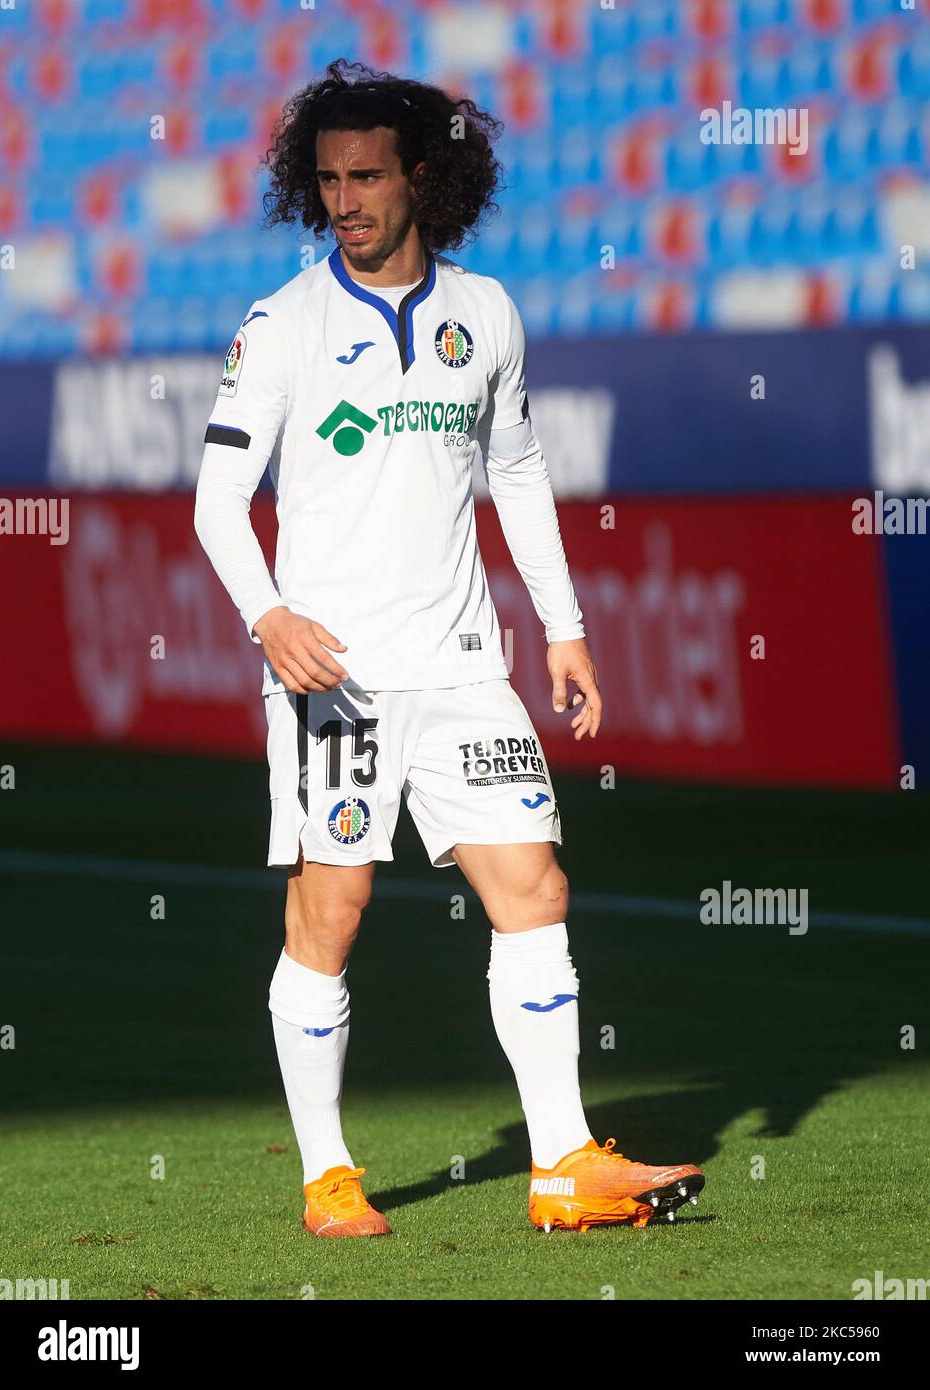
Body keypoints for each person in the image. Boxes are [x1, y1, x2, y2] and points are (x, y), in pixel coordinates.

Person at [194, 59, 704, 1237]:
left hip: (469, 664)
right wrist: (269, 617)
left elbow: (516, 472)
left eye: (367, 175)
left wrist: (565, 627)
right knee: (336, 908)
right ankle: (328, 1171)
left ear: (423, 172)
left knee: (535, 890)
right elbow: (218, 502)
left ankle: (564, 1160)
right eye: (327, 179)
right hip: (337, 681)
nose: (347, 200)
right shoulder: (281, 327)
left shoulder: (487, 316)